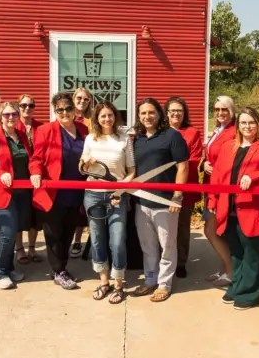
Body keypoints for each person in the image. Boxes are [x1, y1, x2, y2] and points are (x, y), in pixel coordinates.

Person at [206, 107, 259, 310]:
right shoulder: (228, 146)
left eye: (251, 122)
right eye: (243, 123)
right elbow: (218, 176)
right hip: (229, 207)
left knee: (252, 252)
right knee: (236, 251)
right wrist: (213, 200)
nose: (247, 126)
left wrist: (257, 176)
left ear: (257, 124)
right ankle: (238, 285)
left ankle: (250, 293)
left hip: (254, 209)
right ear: (238, 125)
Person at [30, 91, 89, 290]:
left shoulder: (83, 129)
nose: (64, 112)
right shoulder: (46, 130)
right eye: (60, 109)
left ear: (74, 110)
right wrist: (36, 173)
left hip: (76, 191)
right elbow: (36, 158)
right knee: (53, 234)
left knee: (68, 232)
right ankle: (59, 270)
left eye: (68, 108)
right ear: (55, 111)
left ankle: (62, 267)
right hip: (53, 192)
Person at [131, 98, 189, 303]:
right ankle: (150, 279)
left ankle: (164, 284)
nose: (147, 116)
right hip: (142, 202)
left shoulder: (172, 136)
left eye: (151, 112)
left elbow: (183, 167)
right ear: (138, 116)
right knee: (147, 246)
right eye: (143, 113)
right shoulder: (136, 139)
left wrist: (177, 196)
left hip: (166, 203)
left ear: (159, 114)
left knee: (168, 246)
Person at [80, 100, 135, 304]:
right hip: (93, 194)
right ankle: (104, 282)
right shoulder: (90, 139)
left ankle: (118, 284)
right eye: (103, 115)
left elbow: (131, 171)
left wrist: (121, 190)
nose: (106, 119)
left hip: (117, 196)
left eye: (110, 115)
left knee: (117, 240)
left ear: (115, 117)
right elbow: (82, 167)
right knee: (96, 239)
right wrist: (86, 162)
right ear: (97, 118)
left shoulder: (124, 139)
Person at [0, 101, 32, 289]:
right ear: (0, 116)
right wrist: (0, 173)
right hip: (1, 193)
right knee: (7, 232)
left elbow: (31, 159)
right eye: (7, 114)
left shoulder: (21, 135)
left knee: (13, 231)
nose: (11, 118)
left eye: (14, 114)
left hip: (21, 192)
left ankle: (9, 267)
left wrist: (35, 172)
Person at [202, 95, 237, 287]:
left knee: (212, 230)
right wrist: (205, 163)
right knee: (215, 230)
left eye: (224, 109)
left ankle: (231, 270)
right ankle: (224, 268)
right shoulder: (218, 130)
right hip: (210, 185)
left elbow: (229, 161)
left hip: (221, 188)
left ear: (232, 111)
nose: (220, 113)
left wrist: (215, 168)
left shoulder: (232, 132)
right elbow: (211, 154)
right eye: (217, 109)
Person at [165, 97, 202, 279]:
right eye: (172, 110)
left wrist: (175, 168)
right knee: (162, 227)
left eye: (179, 110)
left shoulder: (192, 133)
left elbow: (194, 159)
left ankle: (180, 262)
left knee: (181, 227)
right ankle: (163, 261)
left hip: (184, 187)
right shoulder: (161, 132)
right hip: (162, 187)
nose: (176, 114)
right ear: (166, 113)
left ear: (184, 113)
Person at [14, 94, 43, 264]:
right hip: (18, 175)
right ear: (18, 106)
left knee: (35, 214)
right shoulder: (12, 125)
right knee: (19, 213)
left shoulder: (40, 127)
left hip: (37, 176)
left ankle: (32, 247)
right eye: (23, 105)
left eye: (31, 105)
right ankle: (19, 248)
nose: (27, 108)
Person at [69, 87, 96, 258]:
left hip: (87, 167)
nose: (82, 101)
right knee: (69, 205)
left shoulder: (92, 120)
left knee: (81, 206)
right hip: (69, 164)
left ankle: (77, 240)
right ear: (73, 99)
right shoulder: (66, 115)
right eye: (79, 98)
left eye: (86, 99)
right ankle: (67, 238)